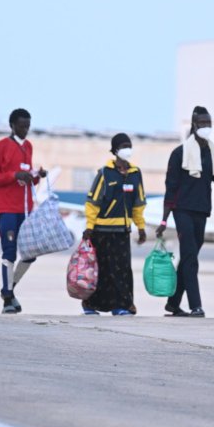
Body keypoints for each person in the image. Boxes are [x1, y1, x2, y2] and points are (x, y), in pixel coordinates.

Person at [157, 106, 214, 317]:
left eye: (208, 124)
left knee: (188, 258)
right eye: (202, 123)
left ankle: (173, 304)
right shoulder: (179, 154)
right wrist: (165, 219)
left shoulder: (213, 154)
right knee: (190, 257)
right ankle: (197, 306)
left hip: (202, 211)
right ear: (194, 125)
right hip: (182, 210)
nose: (205, 127)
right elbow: (171, 187)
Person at [0, 108, 48, 314]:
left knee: (30, 253)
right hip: (7, 209)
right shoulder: (0, 147)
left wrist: (37, 175)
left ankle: (8, 289)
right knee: (9, 252)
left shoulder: (28, 146)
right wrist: (15, 175)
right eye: (22, 126)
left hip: (26, 209)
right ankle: (7, 298)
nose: (25, 130)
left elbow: (25, 175)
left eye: (28, 126)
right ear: (12, 125)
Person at [81, 133, 147, 316]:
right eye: (124, 146)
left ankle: (122, 305)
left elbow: (138, 203)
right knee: (101, 270)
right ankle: (90, 304)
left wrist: (140, 227)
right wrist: (89, 226)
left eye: (130, 145)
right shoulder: (105, 173)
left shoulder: (135, 173)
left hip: (122, 231)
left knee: (122, 270)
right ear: (115, 150)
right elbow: (92, 202)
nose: (128, 149)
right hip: (102, 230)